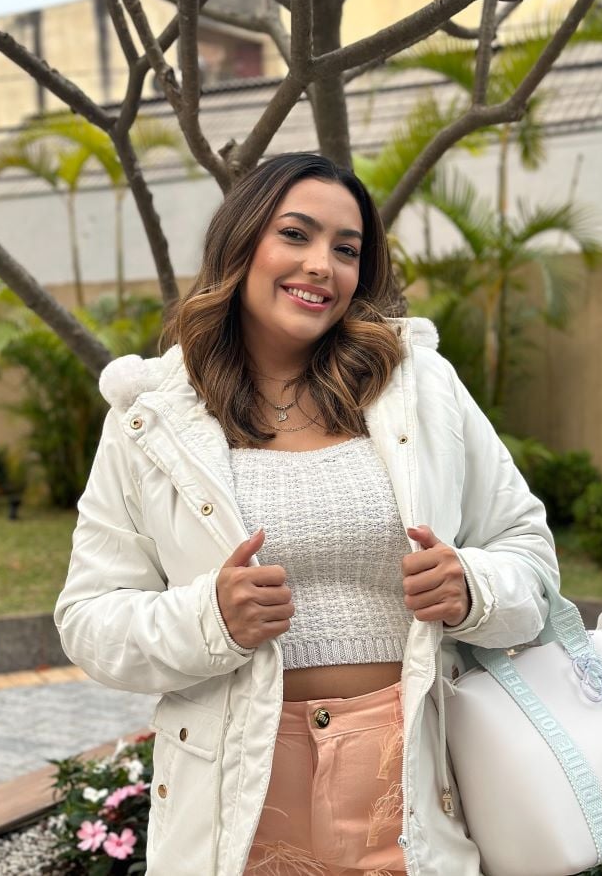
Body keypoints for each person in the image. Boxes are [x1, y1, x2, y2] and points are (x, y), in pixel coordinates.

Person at [55, 152, 558, 876]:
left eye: (346, 249)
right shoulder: (150, 417)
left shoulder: (421, 388)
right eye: (296, 235)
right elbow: (88, 620)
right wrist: (211, 619)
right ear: (243, 243)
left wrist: (473, 589)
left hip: (414, 782)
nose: (322, 264)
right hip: (239, 795)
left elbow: (530, 558)